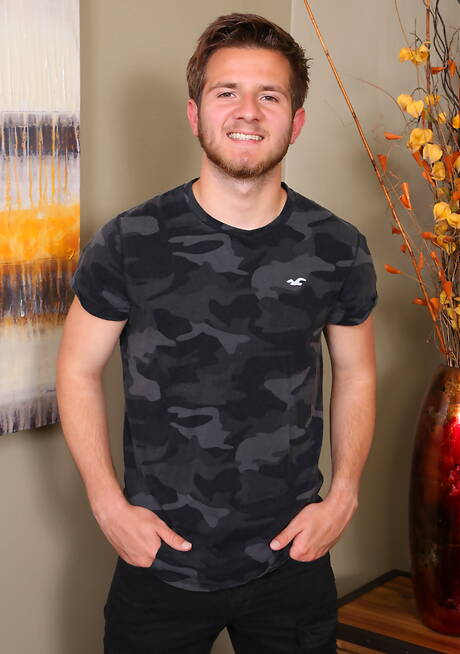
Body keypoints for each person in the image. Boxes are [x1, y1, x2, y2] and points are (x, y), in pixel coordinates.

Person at [56, 12, 378, 654]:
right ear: (195, 113)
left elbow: (358, 372)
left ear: (296, 120)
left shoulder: (337, 248)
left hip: (292, 561)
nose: (247, 111)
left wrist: (344, 496)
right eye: (226, 91)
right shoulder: (130, 241)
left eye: (270, 95)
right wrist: (107, 505)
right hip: (159, 562)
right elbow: (76, 368)